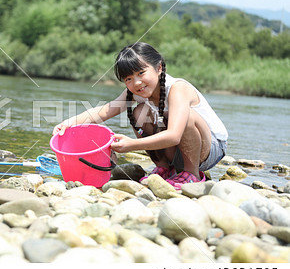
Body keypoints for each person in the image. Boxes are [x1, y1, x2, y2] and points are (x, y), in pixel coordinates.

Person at [53, 42, 228, 189]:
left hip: (209, 150)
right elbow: (105, 110)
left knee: (187, 117)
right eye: (128, 79)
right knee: (138, 112)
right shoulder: (136, 93)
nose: (136, 83)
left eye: (141, 73)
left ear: (159, 68)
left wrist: (132, 145)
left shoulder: (177, 89)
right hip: (178, 152)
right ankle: (164, 168)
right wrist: (68, 123)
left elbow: (174, 136)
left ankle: (192, 174)